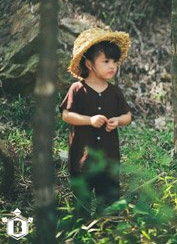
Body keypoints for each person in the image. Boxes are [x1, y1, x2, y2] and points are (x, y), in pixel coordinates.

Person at [60, 28, 132, 217]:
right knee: (81, 205)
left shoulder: (115, 92)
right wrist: (89, 120)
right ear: (89, 64)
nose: (112, 66)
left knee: (108, 203)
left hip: (108, 160)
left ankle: (105, 231)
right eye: (106, 61)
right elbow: (66, 115)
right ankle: (80, 232)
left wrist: (117, 120)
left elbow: (127, 116)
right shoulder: (77, 89)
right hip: (82, 159)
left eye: (115, 62)